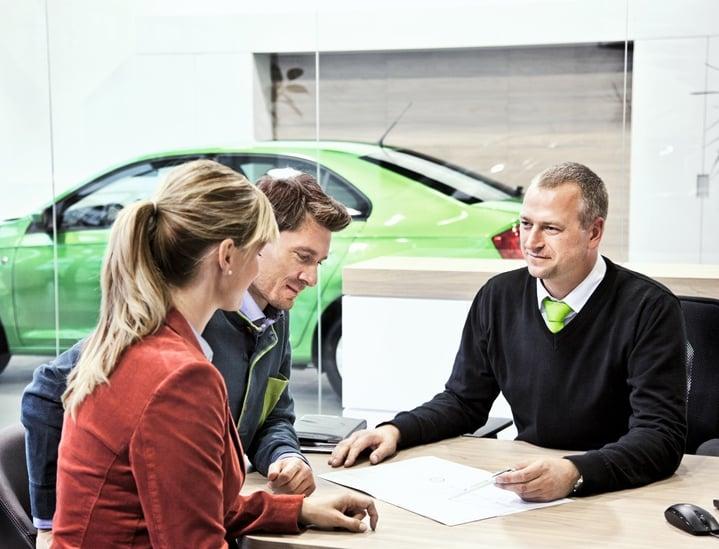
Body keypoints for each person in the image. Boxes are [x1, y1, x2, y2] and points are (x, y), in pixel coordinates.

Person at [47, 159, 376, 547]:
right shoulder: (181, 377)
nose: (256, 270)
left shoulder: (141, 340)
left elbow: (203, 504)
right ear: (227, 256)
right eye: (257, 251)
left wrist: (298, 511)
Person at [329, 161, 687, 502]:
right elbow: (463, 402)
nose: (531, 242)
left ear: (593, 232)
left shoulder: (649, 307)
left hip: (618, 490)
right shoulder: (498, 296)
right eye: (526, 224)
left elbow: (660, 436)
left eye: (551, 228)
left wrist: (575, 472)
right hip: (531, 485)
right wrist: (396, 430)